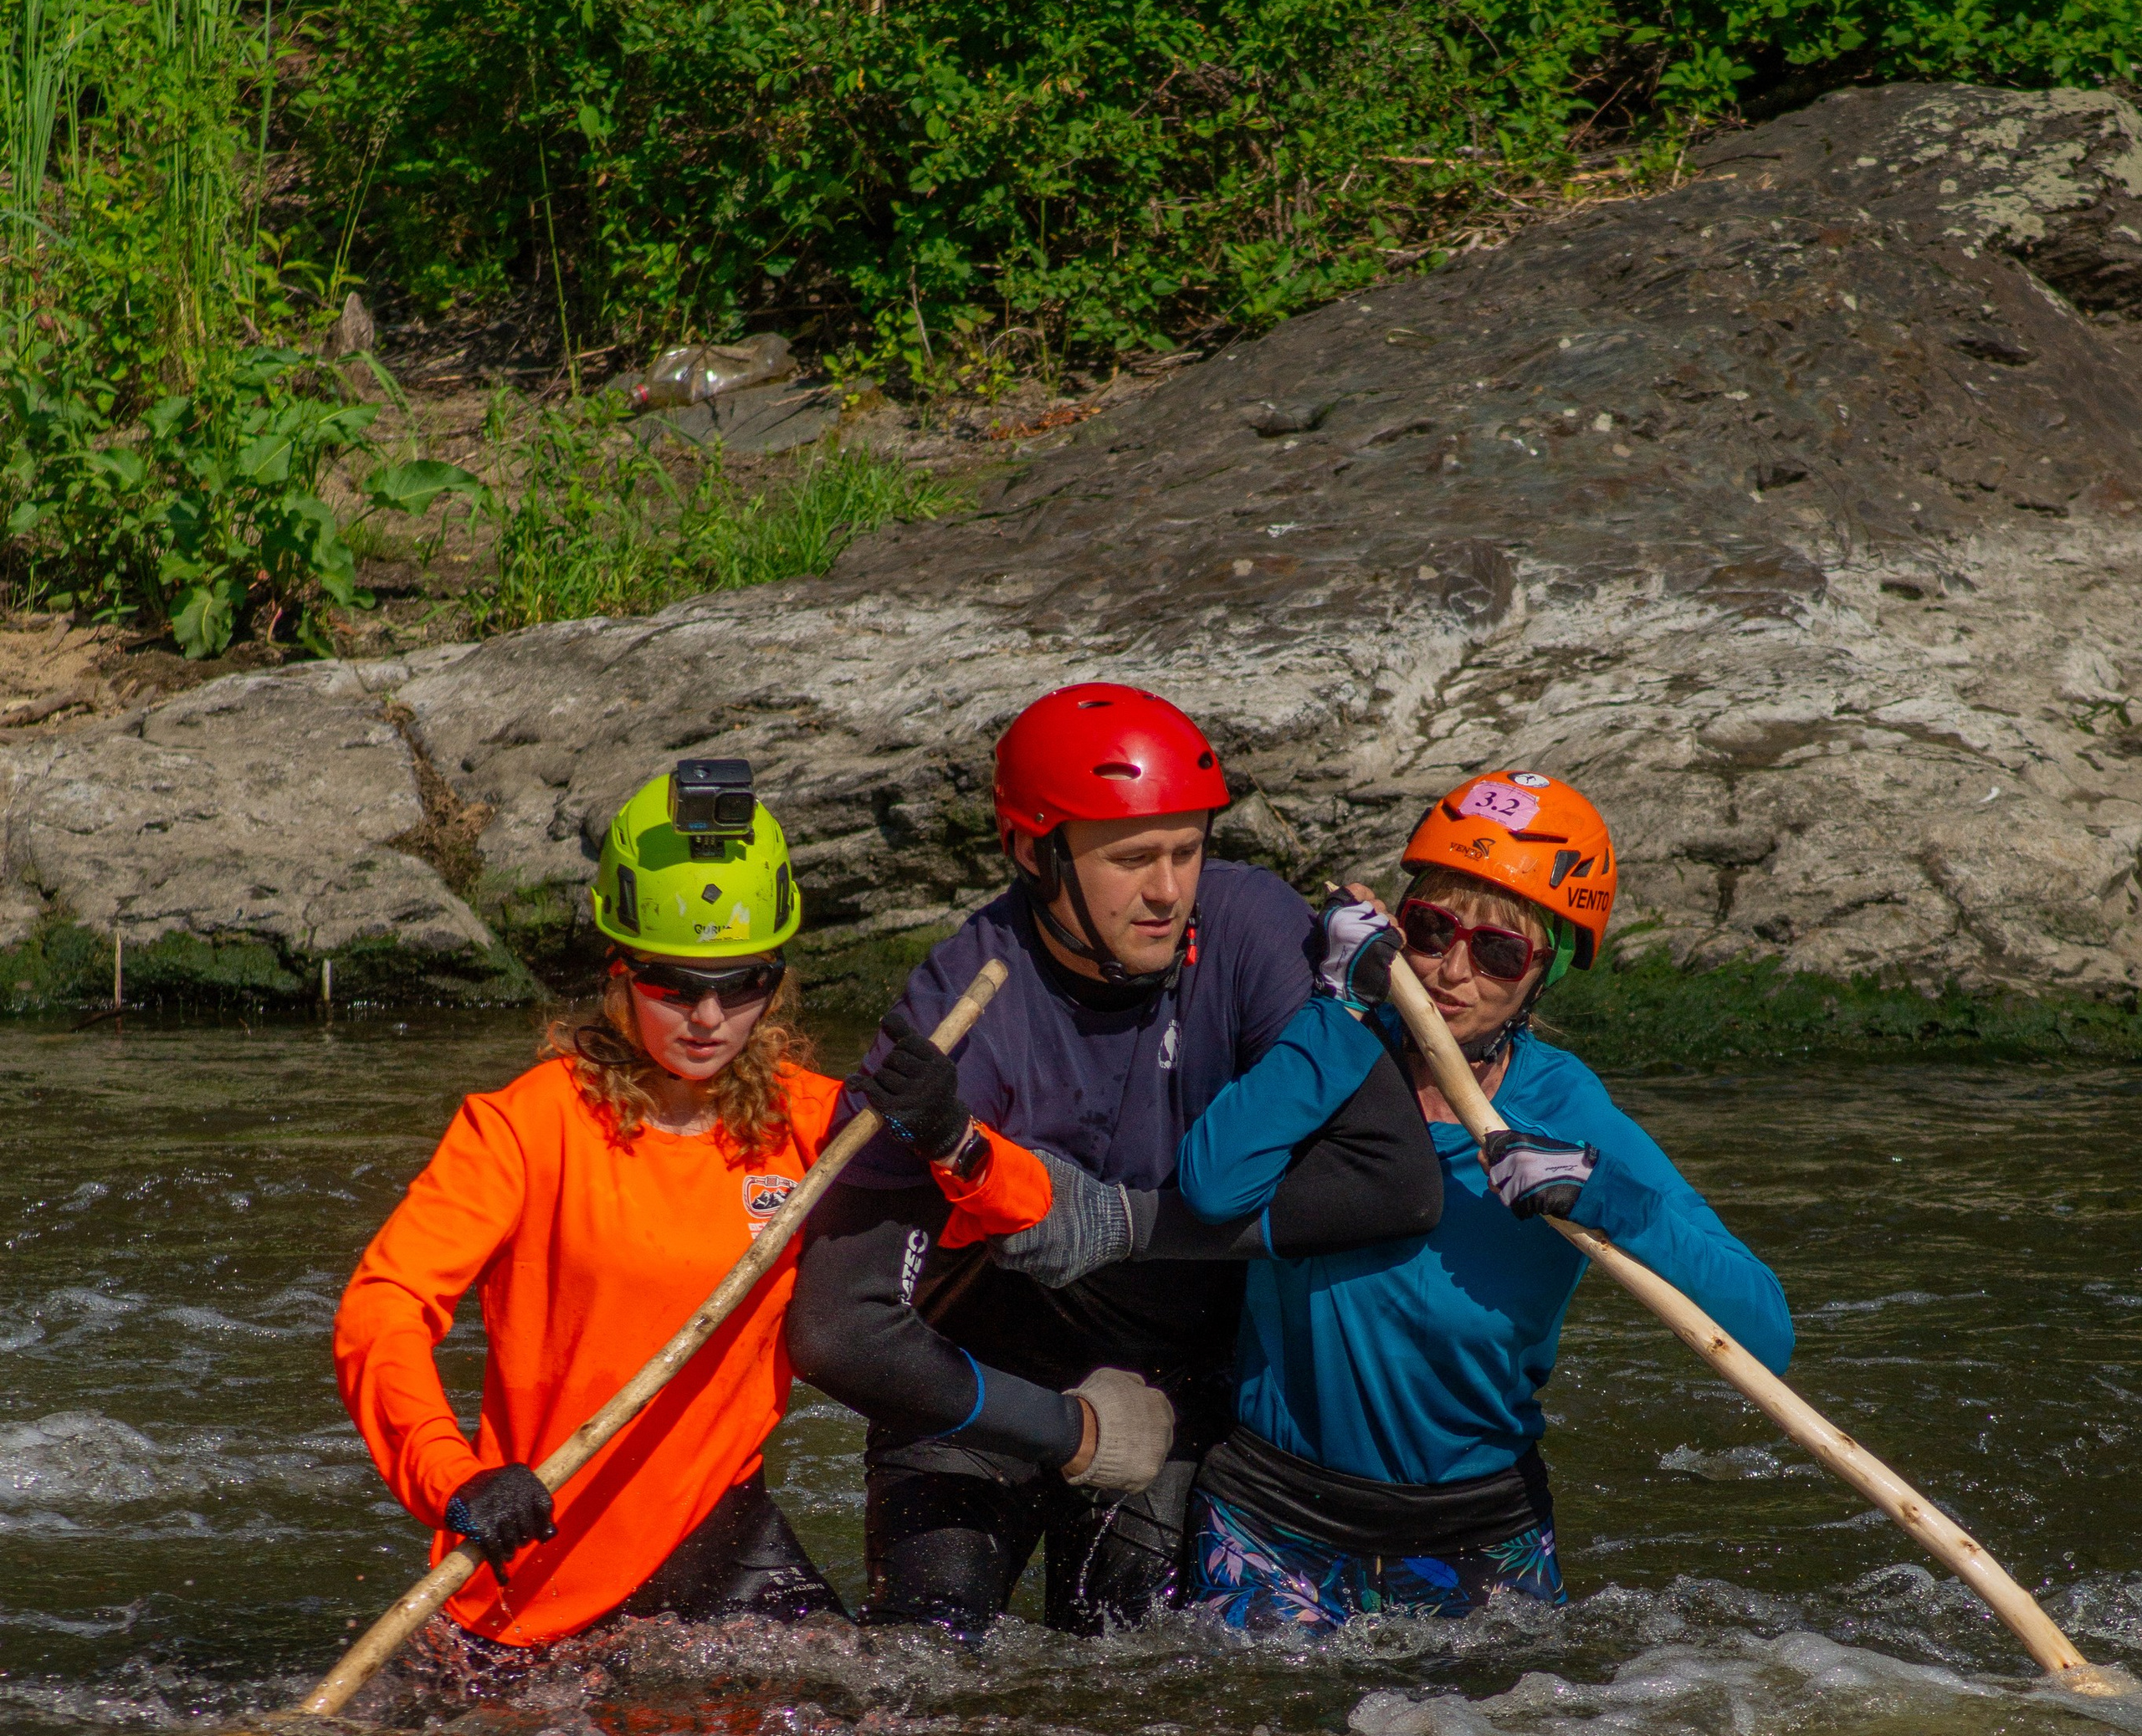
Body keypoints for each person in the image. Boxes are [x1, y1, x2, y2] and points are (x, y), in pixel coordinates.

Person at [333, 760, 1053, 1652]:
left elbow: (1028, 1213)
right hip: (535, 1559)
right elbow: (382, 1309)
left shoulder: (818, 1126)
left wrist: (952, 1135)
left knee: (870, 1732)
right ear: (619, 969)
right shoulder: (524, 1127)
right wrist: (453, 1475)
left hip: (722, 1536)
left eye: (743, 982)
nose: (709, 1015)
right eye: (675, 983)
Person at [785, 683, 1442, 1639]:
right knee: (918, 1663)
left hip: (1175, 1399)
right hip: (982, 1389)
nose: (1169, 889)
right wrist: (1070, 1432)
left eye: (1187, 849)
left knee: (1137, 1700)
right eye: (1132, 858)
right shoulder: (959, 1006)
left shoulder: (1254, 928)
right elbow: (838, 1331)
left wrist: (1130, 1224)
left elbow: (1396, 1185)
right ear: (1031, 852)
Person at [1172, 768, 1795, 1630]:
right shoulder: (1328, 1047)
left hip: (1477, 1531)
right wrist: (1334, 1004)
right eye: (1429, 930)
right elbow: (1211, 1184)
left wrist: (1606, 1195)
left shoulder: (1566, 1110)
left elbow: (1765, 1328)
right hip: (1276, 1515)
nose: (1449, 970)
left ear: (1541, 973)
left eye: (1498, 951)